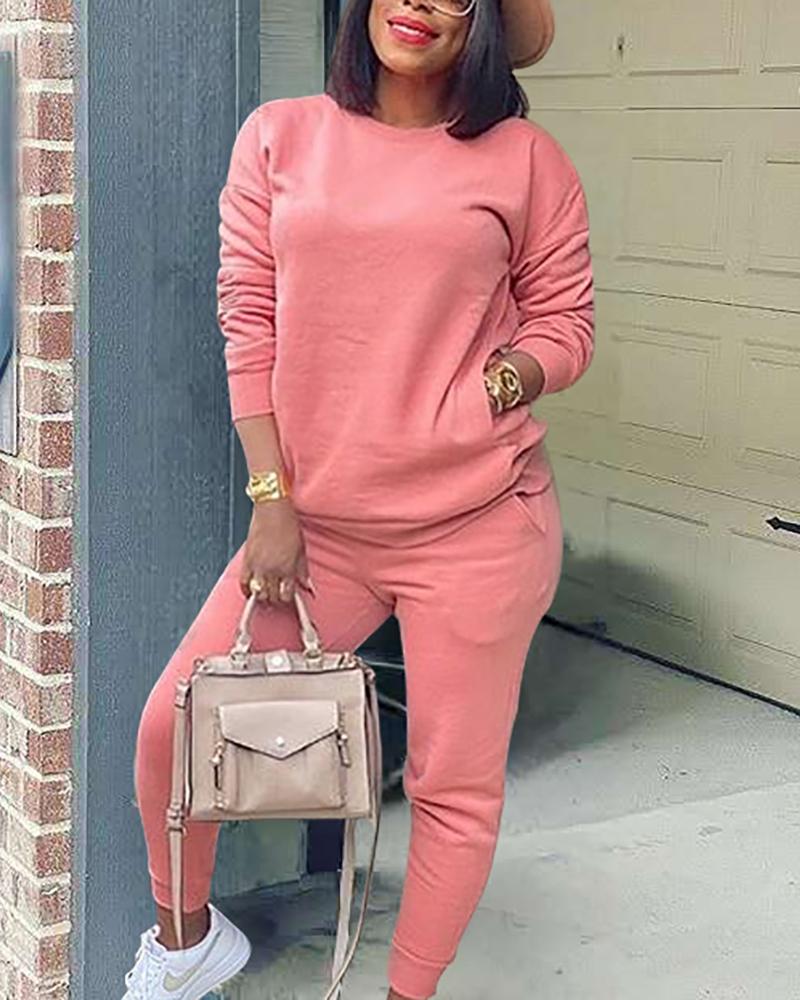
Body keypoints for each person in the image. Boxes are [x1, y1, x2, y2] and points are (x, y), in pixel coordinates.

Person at [123, 0, 594, 996]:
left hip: (479, 525)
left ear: (480, 21)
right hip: (320, 529)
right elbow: (248, 316)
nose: (418, 3)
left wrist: (490, 386)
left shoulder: (526, 161)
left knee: (449, 789)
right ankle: (185, 944)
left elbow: (565, 324)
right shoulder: (281, 137)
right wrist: (271, 496)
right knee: (175, 724)